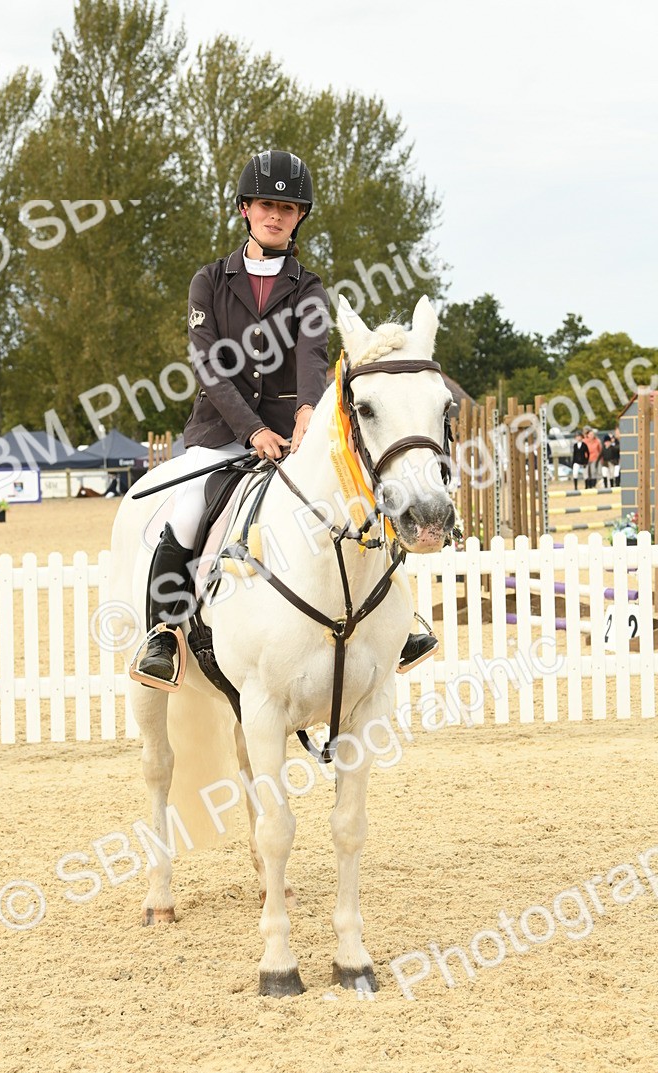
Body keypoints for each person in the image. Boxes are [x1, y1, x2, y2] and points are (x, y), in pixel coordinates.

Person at [137, 149, 437, 682]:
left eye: (288, 207)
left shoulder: (309, 288)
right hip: (220, 432)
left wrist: (304, 413)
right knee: (186, 512)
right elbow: (209, 365)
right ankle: (163, 634)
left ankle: (399, 618)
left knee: (363, 498)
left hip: (294, 434)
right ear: (245, 209)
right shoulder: (208, 281)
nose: (275, 215)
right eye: (266, 204)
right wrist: (250, 430)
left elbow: (312, 357)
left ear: (300, 217)